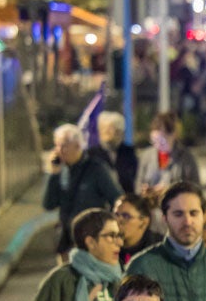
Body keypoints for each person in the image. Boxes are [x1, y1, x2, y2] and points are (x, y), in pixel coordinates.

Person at [42, 123, 122, 253]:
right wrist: (53, 175)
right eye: (57, 145)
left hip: (91, 240)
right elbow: (48, 205)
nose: (59, 150)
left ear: (77, 145)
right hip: (67, 240)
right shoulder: (60, 171)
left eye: (63, 145)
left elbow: (116, 197)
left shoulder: (96, 168)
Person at [135, 111, 200, 196]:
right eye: (154, 141)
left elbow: (196, 189)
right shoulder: (147, 156)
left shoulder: (186, 158)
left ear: (173, 135)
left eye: (162, 141)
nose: (157, 146)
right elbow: (138, 186)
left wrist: (170, 190)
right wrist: (144, 190)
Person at [90, 111, 138, 194]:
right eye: (105, 128)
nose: (108, 132)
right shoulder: (92, 154)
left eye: (115, 129)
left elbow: (134, 176)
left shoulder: (129, 152)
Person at [113, 193, 163, 265]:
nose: (117, 220)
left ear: (144, 222)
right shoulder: (109, 246)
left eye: (126, 216)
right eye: (116, 214)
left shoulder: (159, 250)